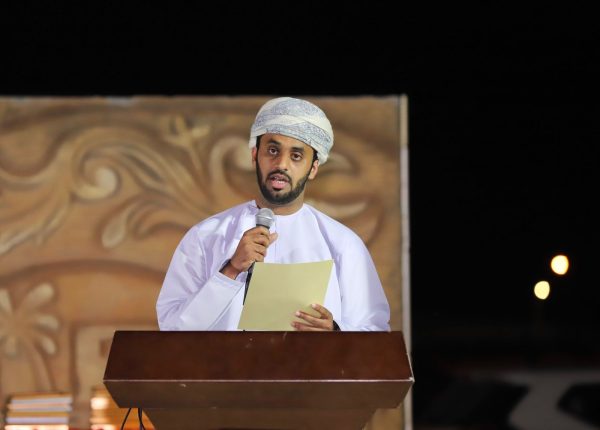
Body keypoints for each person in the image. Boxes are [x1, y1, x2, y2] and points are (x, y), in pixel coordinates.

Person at [156, 97, 390, 331]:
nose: (281, 164)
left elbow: (375, 330)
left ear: (313, 168)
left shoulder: (342, 243)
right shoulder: (206, 236)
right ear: (254, 155)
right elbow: (171, 327)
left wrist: (335, 332)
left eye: (296, 156)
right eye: (272, 151)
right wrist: (231, 270)